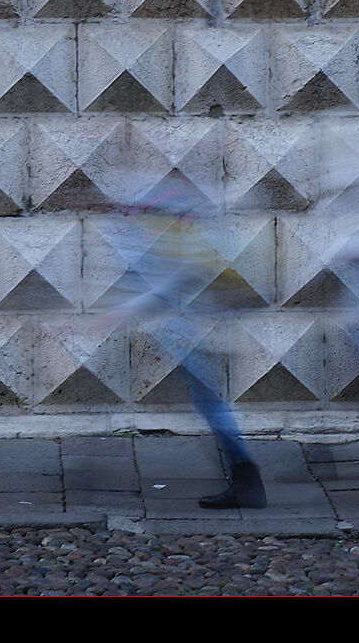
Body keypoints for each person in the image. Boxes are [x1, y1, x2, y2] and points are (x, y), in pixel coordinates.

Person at [99, 184, 266, 510]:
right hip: (196, 334)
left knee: (212, 406)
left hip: (198, 336)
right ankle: (245, 480)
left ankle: (247, 482)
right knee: (209, 404)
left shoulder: (183, 238)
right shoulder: (178, 234)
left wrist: (115, 315)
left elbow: (169, 289)